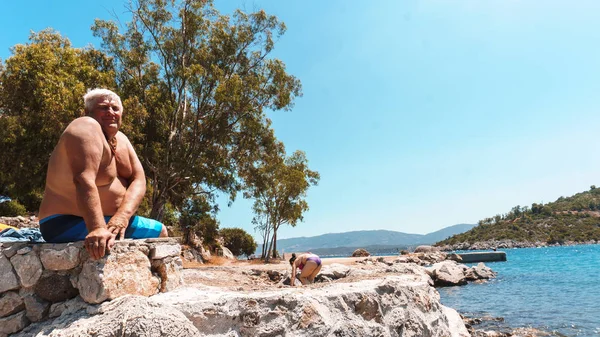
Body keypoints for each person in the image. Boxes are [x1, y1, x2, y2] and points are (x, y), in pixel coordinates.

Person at [38, 88, 167, 260]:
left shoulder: (122, 140)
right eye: (103, 108)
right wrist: (97, 227)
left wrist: (122, 216)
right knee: (157, 234)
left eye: (115, 108)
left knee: (160, 231)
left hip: (110, 220)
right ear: (88, 112)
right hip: (64, 222)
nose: (111, 112)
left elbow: (139, 179)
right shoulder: (85, 126)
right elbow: (83, 179)